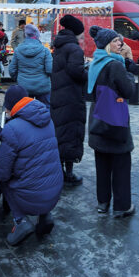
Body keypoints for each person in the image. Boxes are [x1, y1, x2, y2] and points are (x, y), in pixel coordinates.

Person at [0, 85, 63, 246]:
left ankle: (20, 222)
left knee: (3, 180)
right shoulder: (47, 118)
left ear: (11, 106)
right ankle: (45, 216)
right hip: (54, 191)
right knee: (40, 169)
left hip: (30, 197)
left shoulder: (12, 128)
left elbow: (3, 173)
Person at [87, 26, 138, 218]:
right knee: (121, 165)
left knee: (102, 164)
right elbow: (128, 92)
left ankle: (103, 203)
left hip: (97, 120)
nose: (121, 43)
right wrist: (130, 73)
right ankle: (122, 206)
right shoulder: (115, 65)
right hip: (115, 122)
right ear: (108, 44)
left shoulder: (95, 62)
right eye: (117, 41)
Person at [51, 15, 87, 186]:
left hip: (59, 95)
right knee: (71, 133)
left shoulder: (60, 46)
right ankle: (69, 174)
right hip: (71, 97)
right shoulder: (74, 49)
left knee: (60, 133)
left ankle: (59, 171)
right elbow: (76, 72)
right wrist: (89, 72)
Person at [8, 24, 53, 105]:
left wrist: (19, 79)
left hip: (24, 86)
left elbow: (12, 70)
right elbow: (50, 69)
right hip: (42, 86)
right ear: (37, 36)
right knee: (45, 110)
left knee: (25, 110)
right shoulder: (45, 50)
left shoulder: (18, 50)